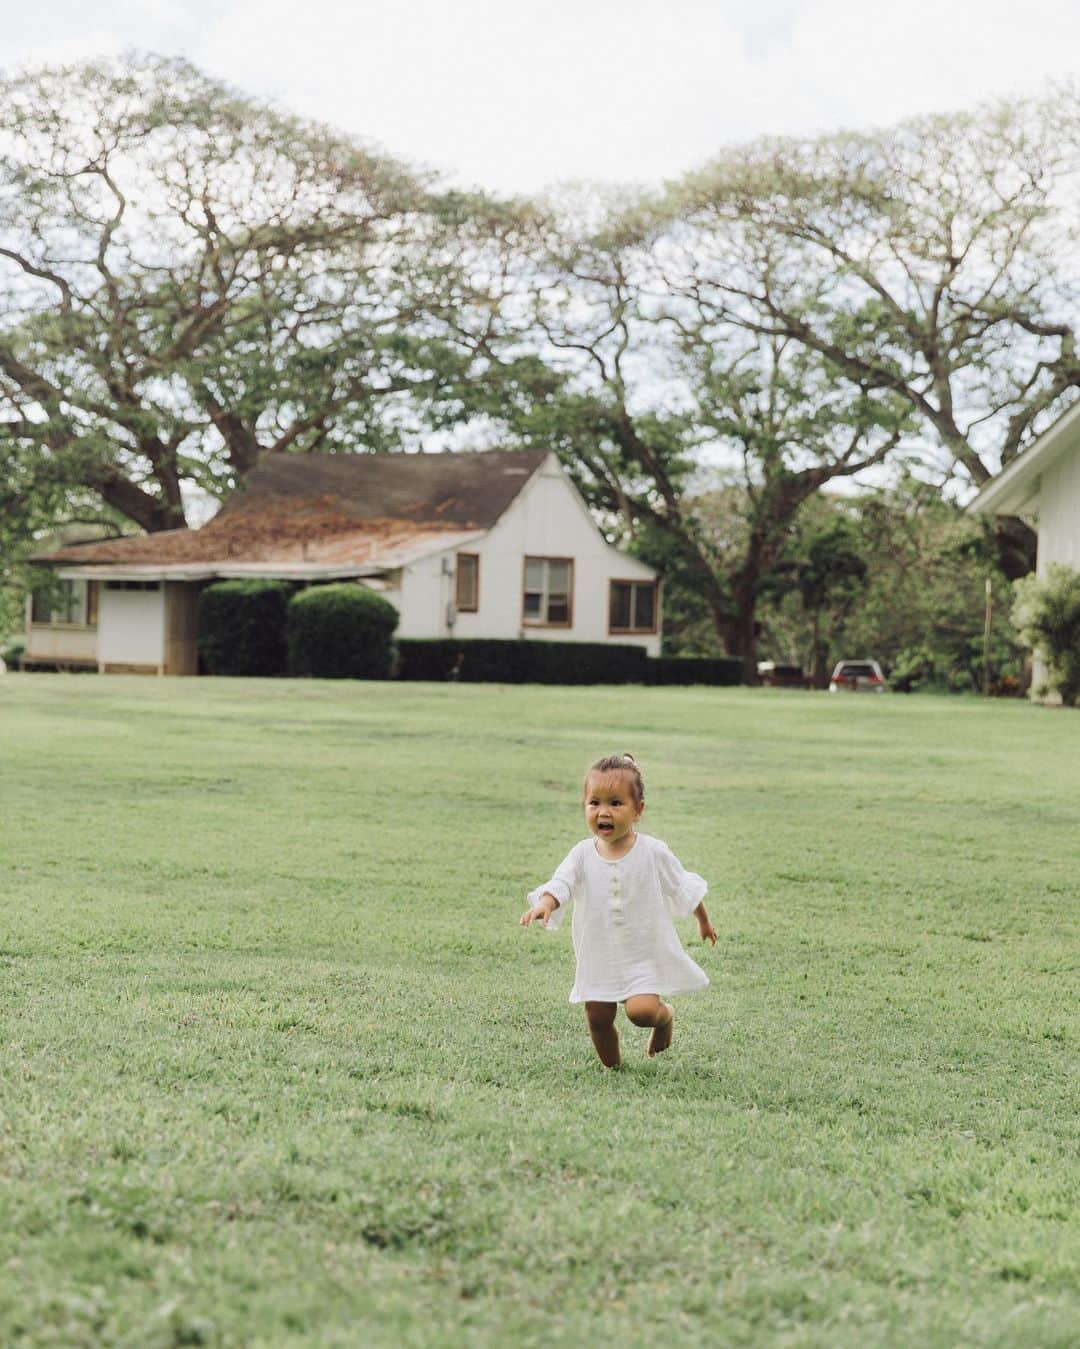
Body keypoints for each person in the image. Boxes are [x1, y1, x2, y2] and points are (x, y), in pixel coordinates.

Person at [520, 753, 717, 1068]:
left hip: (642, 953)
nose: (603, 812)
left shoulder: (653, 852)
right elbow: (562, 883)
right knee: (597, 1016)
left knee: (641, 1013)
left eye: (615, 803)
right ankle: (614, 1068)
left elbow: (682, 886)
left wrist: (703, 923)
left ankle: (664, 1019)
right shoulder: (582, 854)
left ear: (638, 810)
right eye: (594, 803)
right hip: (599, 955)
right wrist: (546, 903)